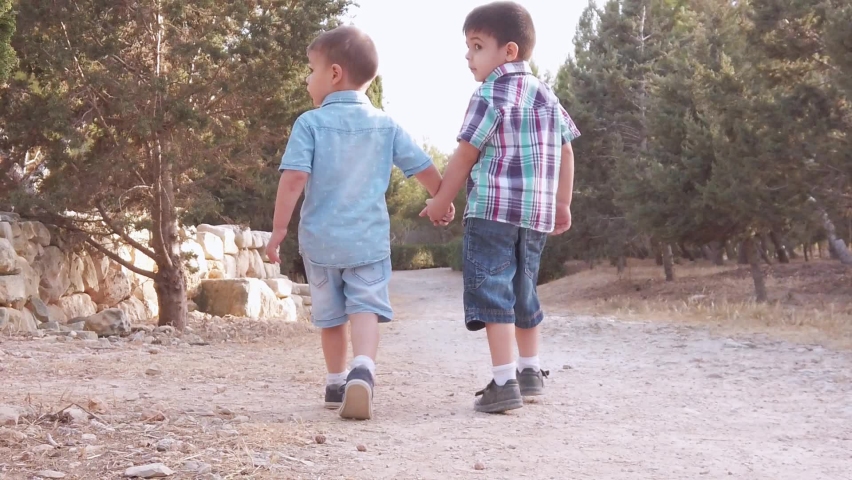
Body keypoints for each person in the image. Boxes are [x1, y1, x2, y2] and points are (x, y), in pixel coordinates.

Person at [267, 25, 453, 420]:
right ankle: (363, 369)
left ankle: (336, 380)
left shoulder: (310, 124)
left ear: (334, 74)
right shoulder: (385, 125)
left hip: (320, 241)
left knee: (331, 317)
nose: (307, 78)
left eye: (311, 69)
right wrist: (440, 199)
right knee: (365, 308)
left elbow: (294, 179)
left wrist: (279, 229)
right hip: (367, 241)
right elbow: (421, 165)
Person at [421, 1, 581, 413]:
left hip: (492, 211)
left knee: (495, 294)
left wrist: (440, 201)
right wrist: (562, 202)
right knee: (524, 291)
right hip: (534, 216)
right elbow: (566, 150)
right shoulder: (547, 94)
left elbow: (464, 156)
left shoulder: (488, 94)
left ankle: (504, 381)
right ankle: (531, 371)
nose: (468, 56)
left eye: (477, 46)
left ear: (508, 51)